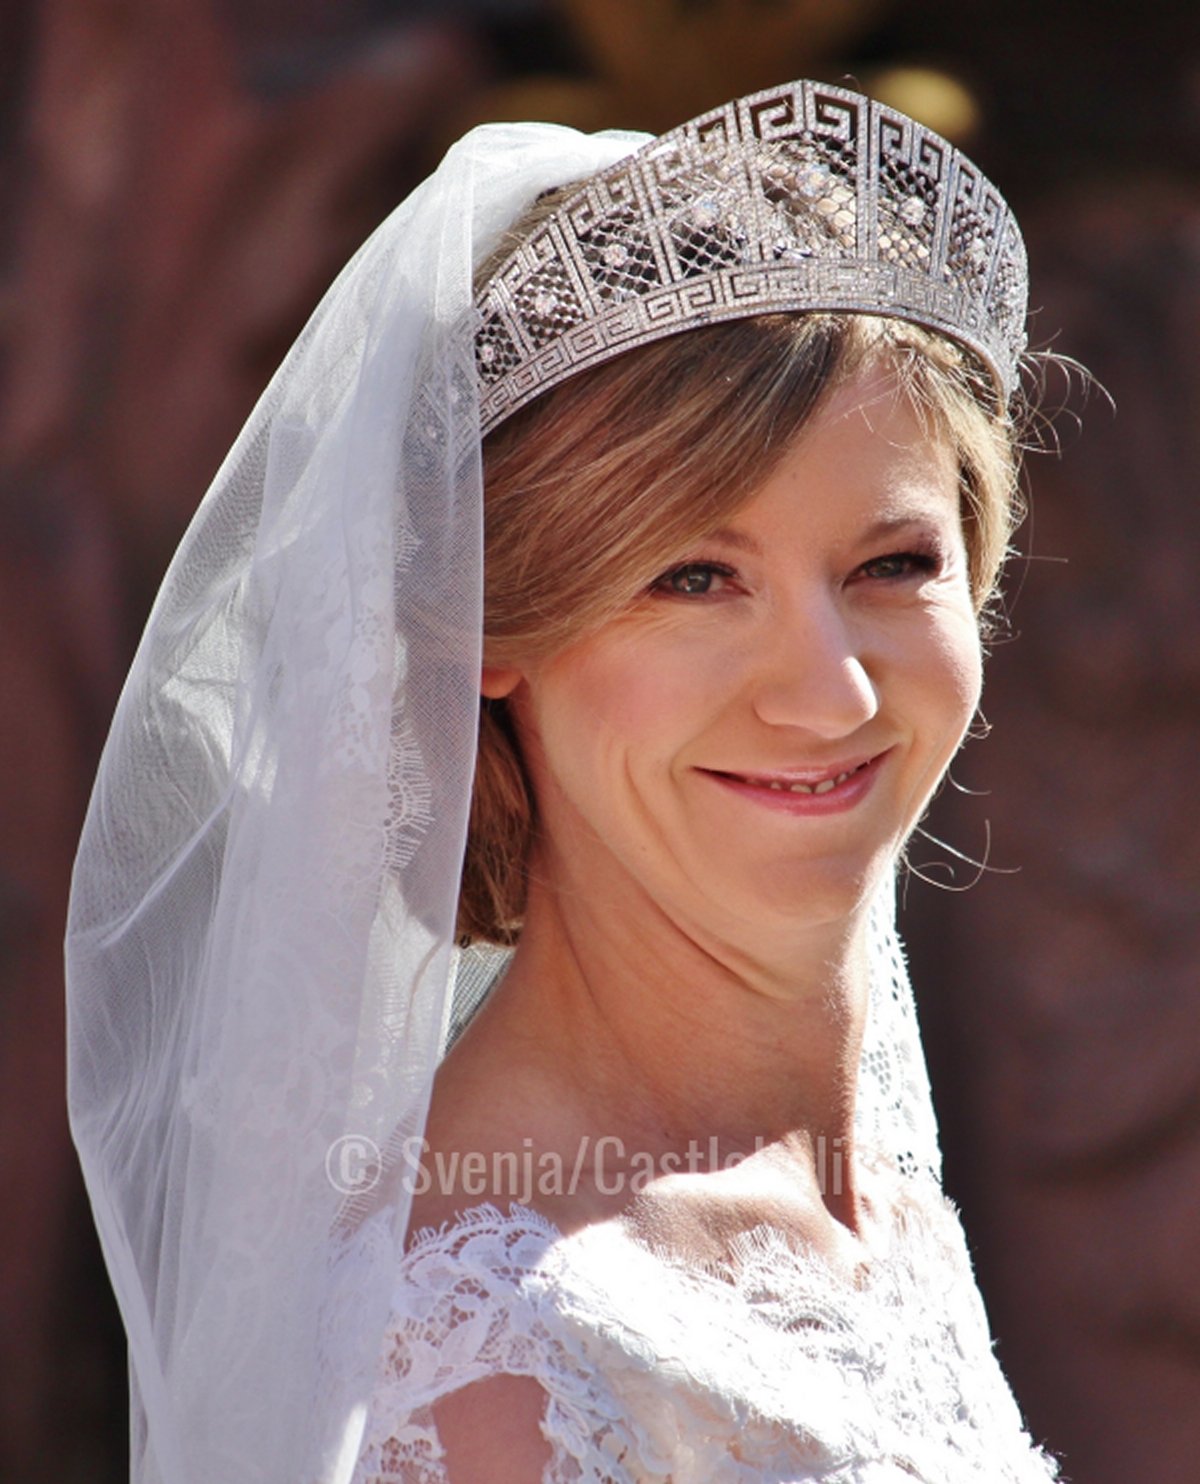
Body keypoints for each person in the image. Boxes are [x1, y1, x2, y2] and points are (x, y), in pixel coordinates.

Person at [67, 80, 1058, 1482]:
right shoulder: (497, 1366)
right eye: (694, 578)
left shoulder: (867, 1207)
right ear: (491, 631)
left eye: (892, 564)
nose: (830, 690)